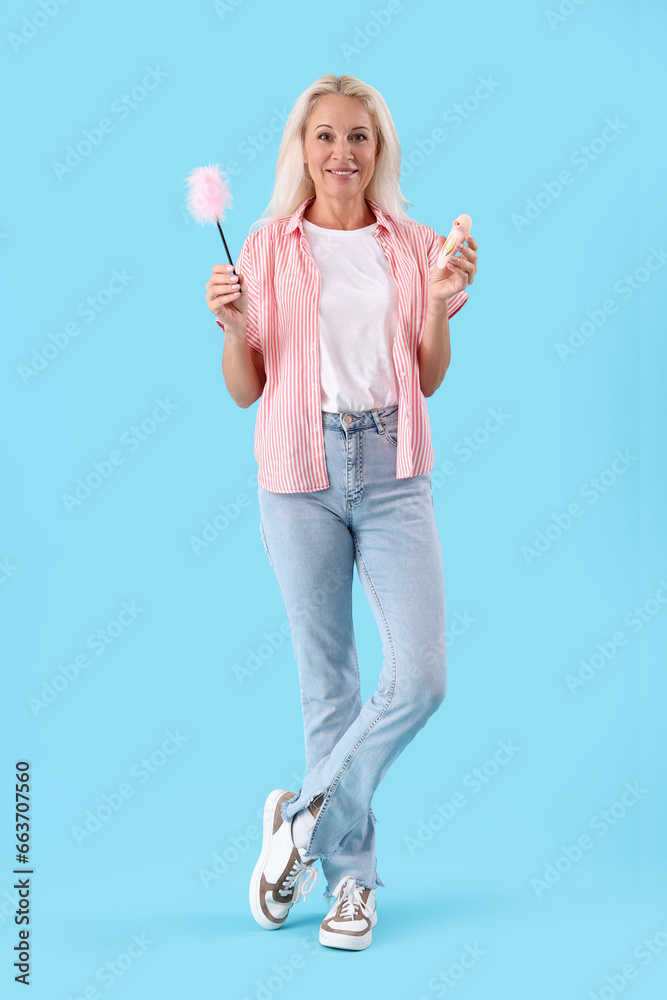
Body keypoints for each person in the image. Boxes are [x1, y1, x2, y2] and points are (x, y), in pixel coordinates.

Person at [205, 74, 478, 951]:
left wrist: (437, 302)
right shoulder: (264, 245)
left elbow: (429, 375)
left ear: (379, 150)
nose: (341, 154)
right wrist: (229, 326)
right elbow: (245, 392)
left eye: (358, 137)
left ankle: (298, 822)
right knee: (331, 685)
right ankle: (349, 886)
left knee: (421, 676)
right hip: (297, 470)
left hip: (394, 466)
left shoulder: (413, 244)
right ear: (303, 149)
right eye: (324, 136)